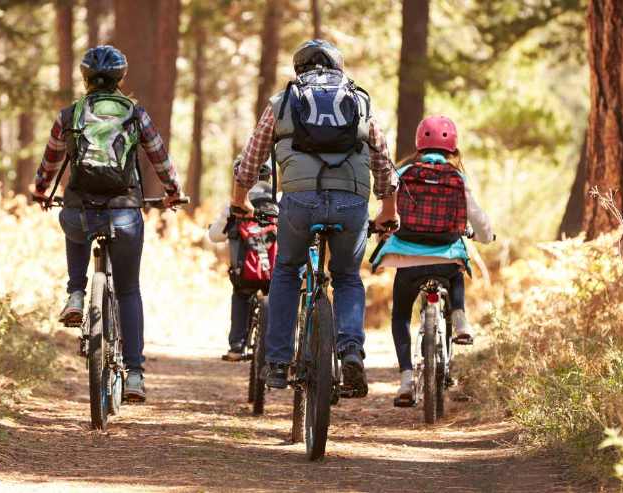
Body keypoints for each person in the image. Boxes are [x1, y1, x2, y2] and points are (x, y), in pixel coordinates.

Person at [231, 39, 398, 397]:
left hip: (299, 203)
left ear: (299, 71)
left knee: (287, 271)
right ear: (338, 68)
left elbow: (250, 161)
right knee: (348, 277)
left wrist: (239, 201)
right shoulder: (360, 100)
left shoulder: (283, 102)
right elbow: (382, 158)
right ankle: (351, 350)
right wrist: (388, 208)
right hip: (352, 203)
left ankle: (276, 362)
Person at [32, 45, 185, 402]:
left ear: (85, 78)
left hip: (80, 210)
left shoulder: (70, 115)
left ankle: (75, 292)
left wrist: (41, 190)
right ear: (121, 79)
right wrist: (173, 192)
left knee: (74, 223)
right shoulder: (136, 115)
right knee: (129, 290)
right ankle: (134, 375)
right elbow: (160, 159)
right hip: (125, 211)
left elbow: (50, 162)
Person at [371, 115, 494, 406]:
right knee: (456, 269)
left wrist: (378, 230)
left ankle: (404, 380)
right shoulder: (457, 177)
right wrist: (487, 237)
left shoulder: (403, 172)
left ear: (418, 143)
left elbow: (386, 211)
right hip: (444, 255)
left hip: (407, 256)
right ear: (453, 147)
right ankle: (460, 317)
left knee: (401, 316)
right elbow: (477, 218)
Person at [208, 160, 277, 361]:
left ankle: (237, 345)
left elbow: (215, 236)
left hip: (244, 274)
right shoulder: (279, 201)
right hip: (275, 272)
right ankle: (281, 350)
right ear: (269, 177)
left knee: (241, 294)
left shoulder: (234, 206)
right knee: (282, 298)